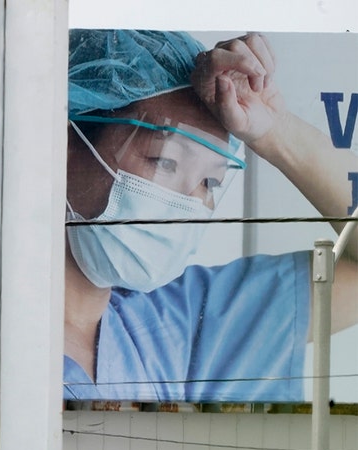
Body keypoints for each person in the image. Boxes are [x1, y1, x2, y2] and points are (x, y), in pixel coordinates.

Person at [63, 30, 358, 402]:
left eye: (209, 181)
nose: (189, 200)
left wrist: (273, 131)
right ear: (66, 146)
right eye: (164, 161)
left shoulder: (183, 324)